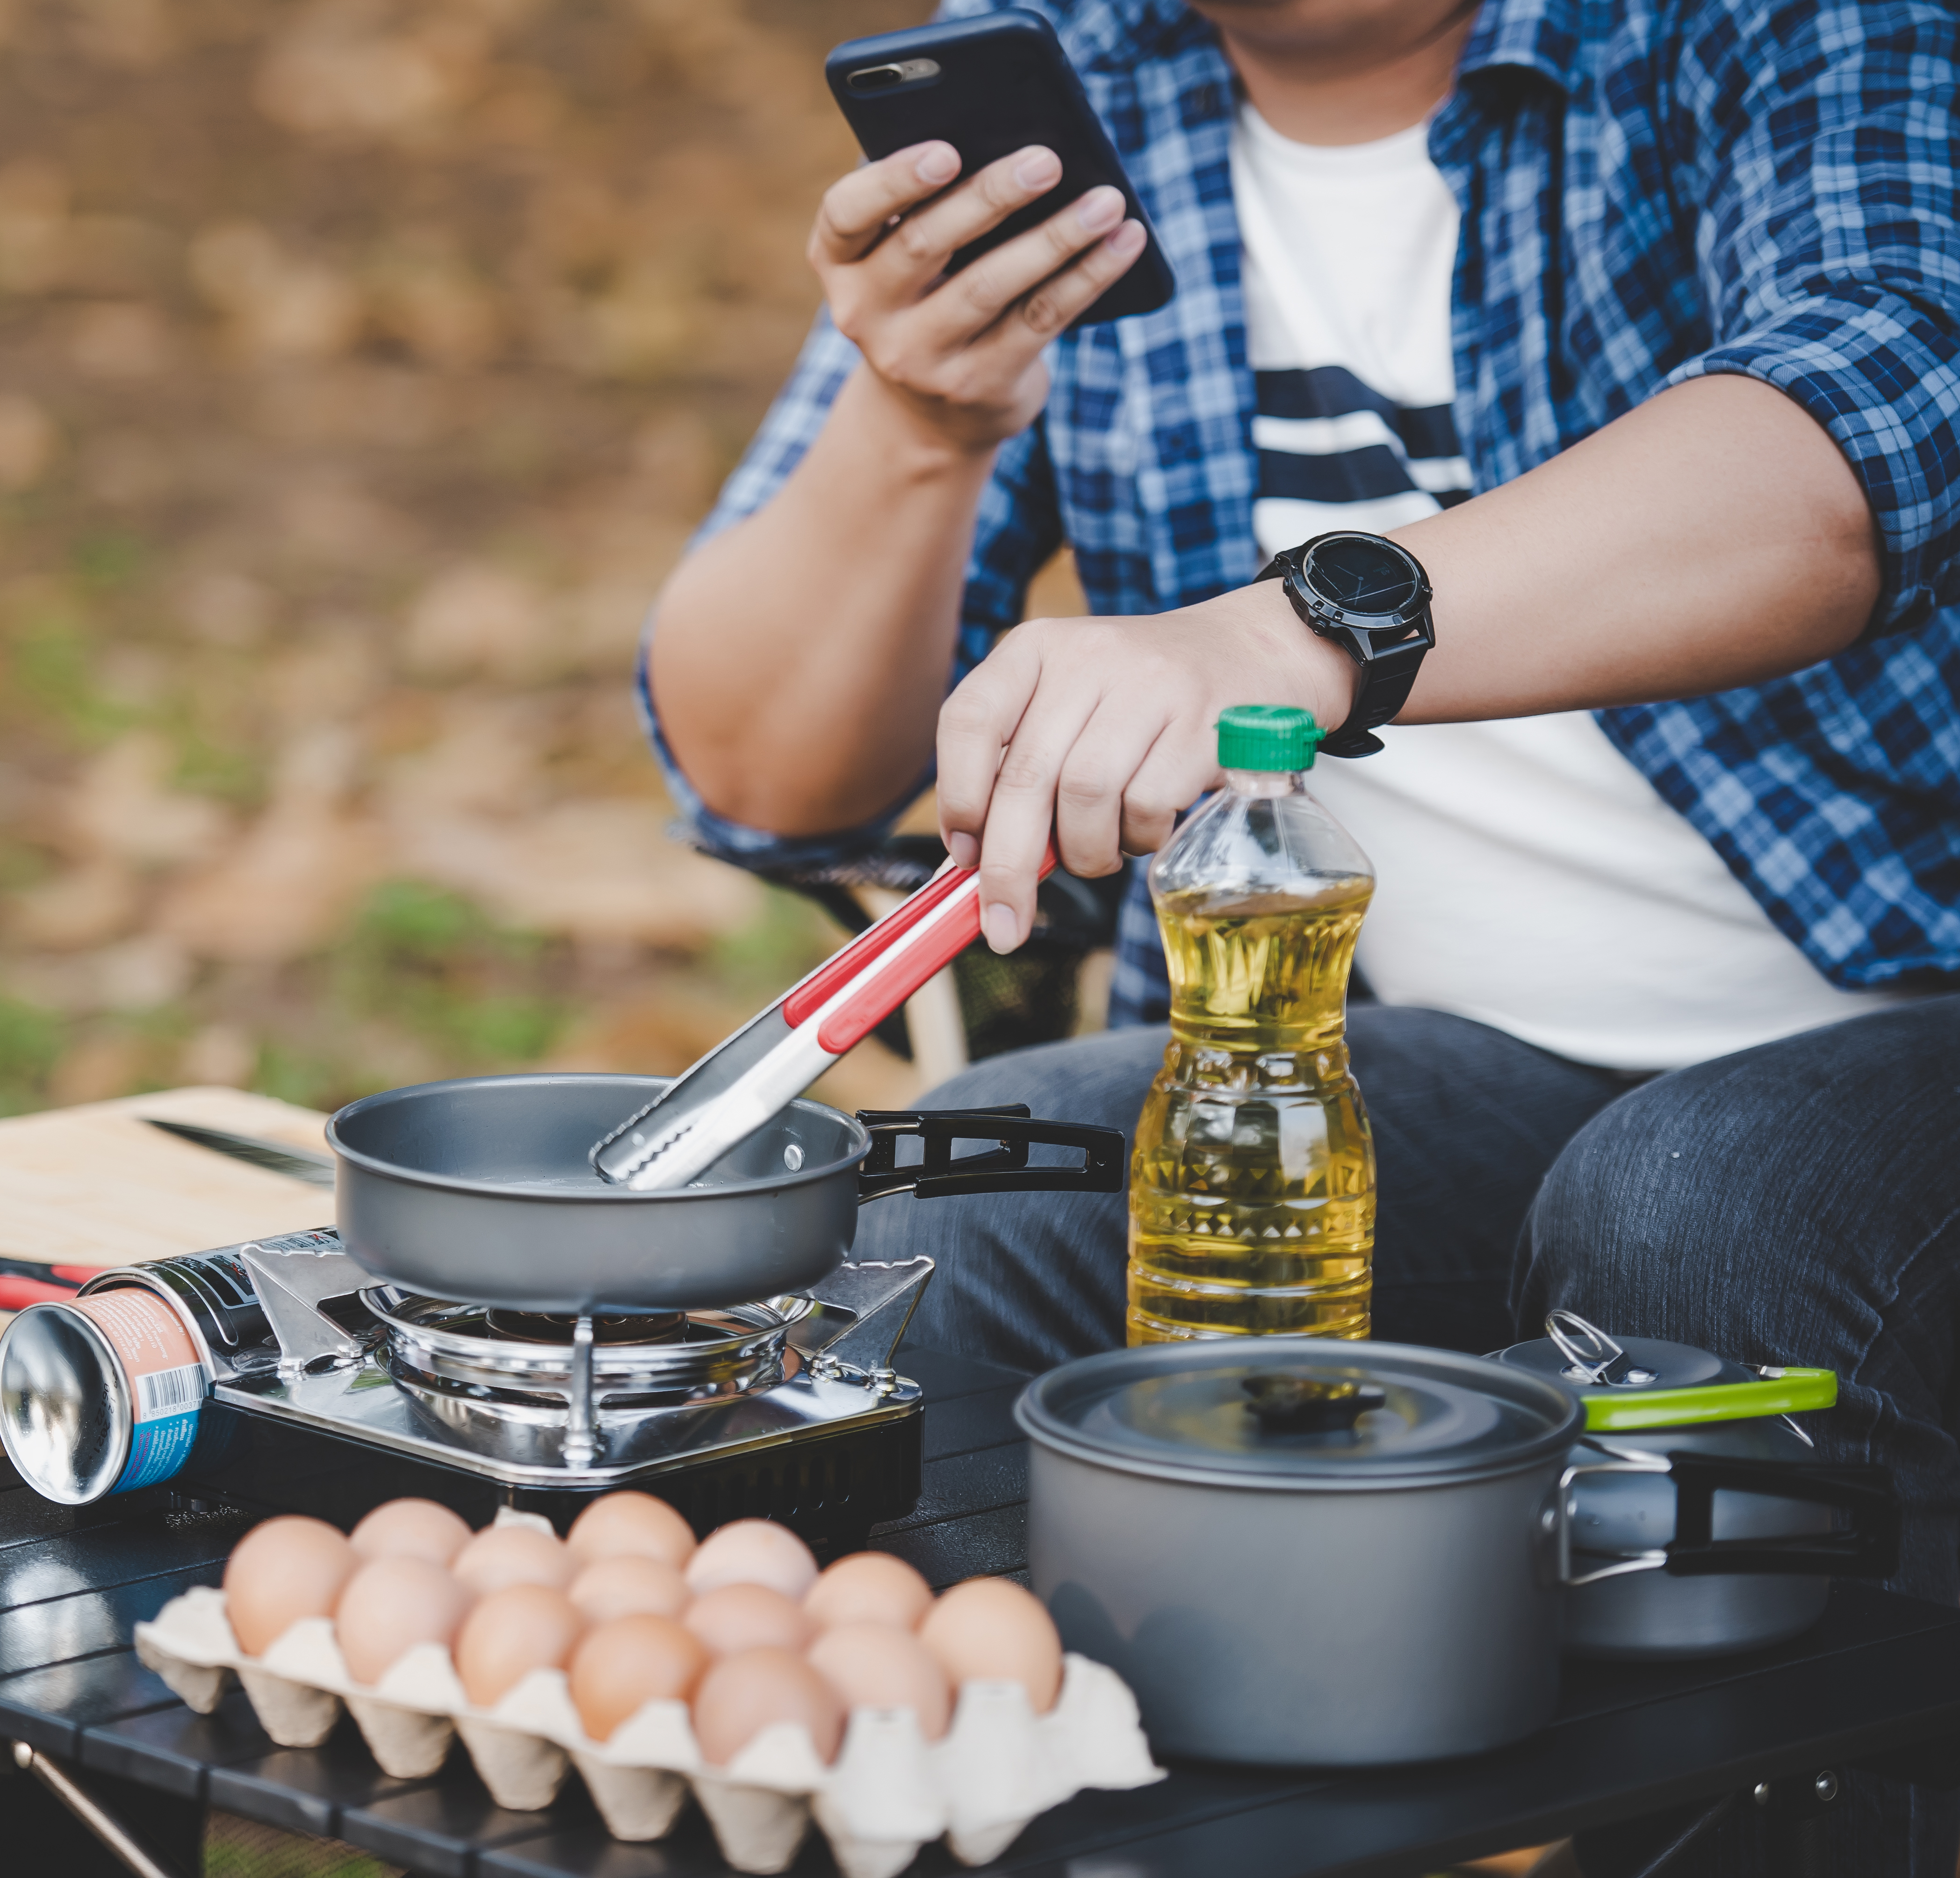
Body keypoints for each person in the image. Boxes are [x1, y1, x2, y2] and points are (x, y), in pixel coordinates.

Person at [640, 0, 1959, 1869]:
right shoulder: (1060, 94)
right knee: (953, 1207)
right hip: (1434, 1054)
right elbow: (764, 775)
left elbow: (1878, 412)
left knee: (1695, 1203)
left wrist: (1295, 629)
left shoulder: (1769, 27)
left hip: (1909, 1010)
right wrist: (919, 429)